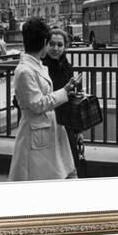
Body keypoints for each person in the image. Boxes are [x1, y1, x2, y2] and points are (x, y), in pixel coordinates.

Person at [8, 18, 79, 181]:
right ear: (45, 43)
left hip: (45, 128)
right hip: (36, 130)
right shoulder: (26, 70)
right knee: (36, 176)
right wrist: (65, 91)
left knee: (54, 173)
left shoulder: (36, 65)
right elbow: (37, 104)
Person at [42, 28, 84, 176]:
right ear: (45, 45)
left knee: (69, 167)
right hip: (46, 125)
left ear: (65, 47)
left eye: (60, 45)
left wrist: (78, 130)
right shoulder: (40, 68)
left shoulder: (67, 67)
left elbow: (72, 100)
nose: (55, 48)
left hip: (65, 126)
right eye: (52, 44)